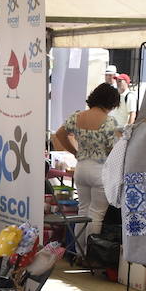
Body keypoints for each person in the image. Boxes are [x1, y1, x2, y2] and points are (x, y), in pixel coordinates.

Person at [53, 83, 123, 254]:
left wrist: (74, 152)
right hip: (100, 170)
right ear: (111, 102)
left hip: (81, 168)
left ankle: (79, 252)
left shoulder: (77, 116)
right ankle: (91, 254)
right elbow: (113, 149)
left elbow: (59, 134)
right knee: (96, 214)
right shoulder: (109, 121)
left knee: (82, 211)